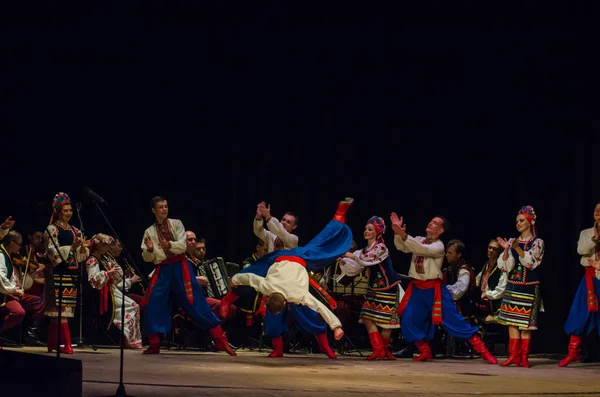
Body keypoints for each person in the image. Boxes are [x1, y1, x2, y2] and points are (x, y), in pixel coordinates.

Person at [222, 197, 355, 358]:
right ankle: (277, 347)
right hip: (278, 264)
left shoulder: (293, 239)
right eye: (283, 220)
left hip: (291, 263)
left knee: (308, 313)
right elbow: (259, 233)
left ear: (294, 227)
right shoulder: (272, 237)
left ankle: (324, 346)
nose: (284, 223)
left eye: (288, 222)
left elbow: (250, 278)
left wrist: (236, 278)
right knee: (261, 284)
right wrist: (259, 218)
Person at [391, 212, 497, 364]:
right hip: (418, 289)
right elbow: (402, 246)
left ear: (440, 230)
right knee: (408, 320)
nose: (430, 223)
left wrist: (402, 233)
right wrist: (397, 232)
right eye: (431, 221)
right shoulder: (420, 240)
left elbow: (420, 249)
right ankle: (425, 350)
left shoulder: (438, 247)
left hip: (434, 291)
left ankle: (484, 351)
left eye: (435, 223)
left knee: (455, 321)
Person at [140, 196, 235, 355]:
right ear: (153, 211)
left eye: (166, 206)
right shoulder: (149, 232)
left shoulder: (176, 224)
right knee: (152, 302)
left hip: (179, 267)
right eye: (161, 207)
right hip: (163, 269)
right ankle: (154, 343)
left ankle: (220, 339)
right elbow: (147, 258)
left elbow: (183, 246)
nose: (164, 209)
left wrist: (169, 245)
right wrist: (149, 250)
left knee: (196, 302)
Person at [338, 216, 401, 360]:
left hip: (388, 287)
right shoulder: (363, 251)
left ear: (377, 232)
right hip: (374, 288)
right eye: (366, 229)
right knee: (367, 317)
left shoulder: (381, 248)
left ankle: (384, 350)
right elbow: (355, 267)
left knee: (387, 323)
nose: (366, 231)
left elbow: (367, 259)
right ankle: (379, 349)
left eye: (370, 229)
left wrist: (351, 256)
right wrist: (343, 261)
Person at [496, 205, 545, 368]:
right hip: (513, 286)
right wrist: (505, 250)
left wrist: (517, 248)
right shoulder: (511, 241)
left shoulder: (537, 242)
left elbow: (531, 263)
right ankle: (514, 355)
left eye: (522, 220)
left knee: (525, 323)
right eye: (517, 221)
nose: (518, 224)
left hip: (529, 287)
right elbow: (505, 267)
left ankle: (524, 357)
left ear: (530, 222)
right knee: (511, 321)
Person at [44, 192, 90, 354]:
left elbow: (81, 256)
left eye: (70, 210)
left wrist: (82, 248)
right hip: (56, 273)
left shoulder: (75, 230)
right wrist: (71, 247)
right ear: (58, 211)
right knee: (59, 310)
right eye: (65, 210)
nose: (69, 213)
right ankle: (67, 344)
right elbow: (51, 252)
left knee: (62, 311)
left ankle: (52, 343)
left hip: (70, 273)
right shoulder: (51, 229)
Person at [558, 202, 600, 367]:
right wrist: (595, 238)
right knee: (579, 314)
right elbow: (581, 250)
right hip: (590, 278)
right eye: (596, 209)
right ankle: (573, 353)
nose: (597, 211)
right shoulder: (586, 233)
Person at [85, 233, 143, 349]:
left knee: (134, 306)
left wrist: (116, 275)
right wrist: (107, 273)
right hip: (103, 293)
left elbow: (117, 279)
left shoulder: (104, 259)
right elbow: (93, 280)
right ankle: (130, 339)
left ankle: (131, 339)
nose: (108, 248)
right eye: (107, 245)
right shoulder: (92, 260)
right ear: (99, 246)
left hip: (111, 290)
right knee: (133, 306)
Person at [0, 230, 46, 348]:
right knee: (18, 312)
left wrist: (33, 273)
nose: (20, 247)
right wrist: (15, 290)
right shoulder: (1, 255)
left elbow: (22, 283)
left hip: (16, 292)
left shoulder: (14, 258)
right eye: (19, 244)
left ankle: (30, 335)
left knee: (40, 302)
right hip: (6, 292)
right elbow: (1, 277)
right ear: (11, 243)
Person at [476, 239, 507, 324]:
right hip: (482, 301)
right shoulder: (486, 265)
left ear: (499, 252)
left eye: (494, 249)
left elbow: (502, 289)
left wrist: (487, 294)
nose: (491, 250)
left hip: (493, 304)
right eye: (490, 248)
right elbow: (477, 280)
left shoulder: (501, 267)